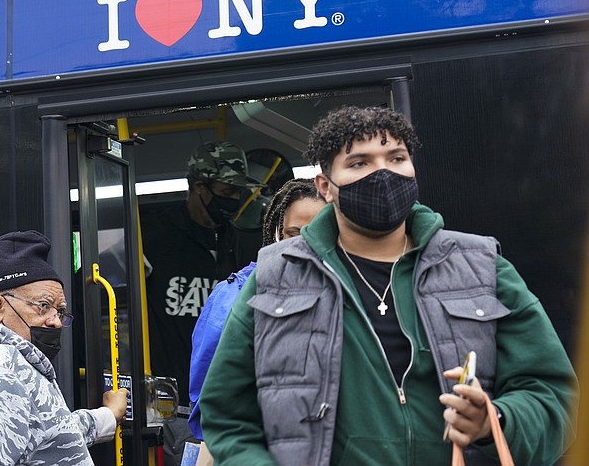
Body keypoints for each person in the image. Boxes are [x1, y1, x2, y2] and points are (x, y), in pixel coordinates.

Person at [199, 106, 577, 465]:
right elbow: (228, 414)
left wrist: (493, 420)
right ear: (325, 186)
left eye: (396, 158)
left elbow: (555, 397)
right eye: (359, 162)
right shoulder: (276, 277)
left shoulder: (481, 266)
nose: (382, 174)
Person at [0, 230, 128, 466]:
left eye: (60, 311)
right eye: (43, 306)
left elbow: (48, 432)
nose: (56, 321)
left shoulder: (14, 364)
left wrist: (107, 416)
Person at [141, 140, 263, 464]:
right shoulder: (151, 236)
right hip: (170, 404)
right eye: (227, 190)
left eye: (239, 192)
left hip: (230, 404)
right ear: (200, 187)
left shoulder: (243, 243)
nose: (234, 200)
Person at [188, 178, 326, 440]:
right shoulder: (235, 296)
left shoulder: (355, 294)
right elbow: (209, 400)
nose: (306, 245)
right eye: (293, 234)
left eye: (318, 233)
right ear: (275, 232)